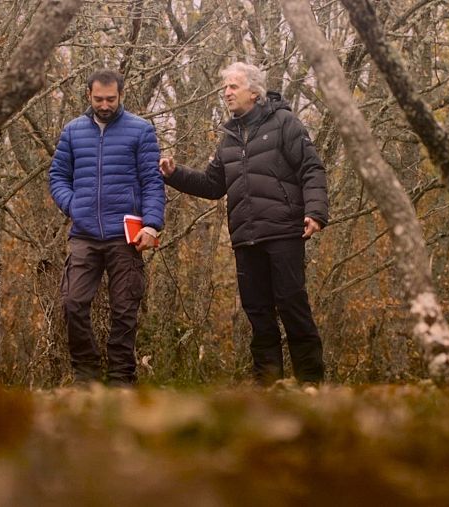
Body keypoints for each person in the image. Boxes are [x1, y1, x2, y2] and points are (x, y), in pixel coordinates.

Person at [160, 62, 329, 385]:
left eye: (233, 87)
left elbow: (312, 168)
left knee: (293, 307)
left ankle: (311, 384)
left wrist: (316, 212)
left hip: (283, 231)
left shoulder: (284, 123)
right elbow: (213, 185)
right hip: (245, 237)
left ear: (254, 91)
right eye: (225, 87)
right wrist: (174, 174)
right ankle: (268, 386)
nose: (226, 93)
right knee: (258, 313)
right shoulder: (229, 136)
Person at [49, 69, 164, 386]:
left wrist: (152, 225)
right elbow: (57, 178)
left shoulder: (141, 131)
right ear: (89, 94)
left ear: (120, 95)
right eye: (99, 98)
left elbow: (153, 183)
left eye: (111, 99)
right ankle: (85, 374)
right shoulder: (72, 132)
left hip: (125, 236)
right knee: (72, 302)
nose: (104, 104)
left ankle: (120, 378)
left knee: (125, 309)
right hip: (84, 235)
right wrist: (74, 206)